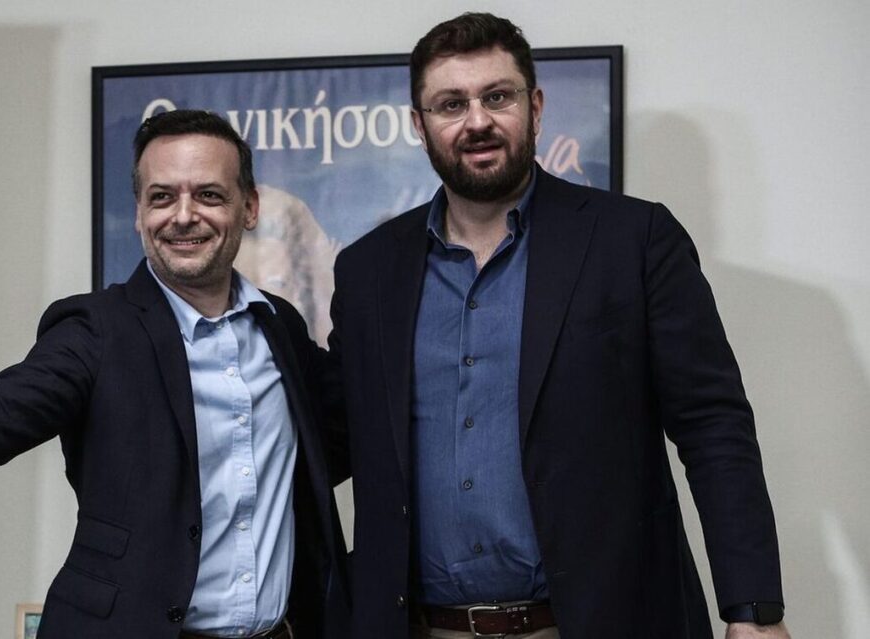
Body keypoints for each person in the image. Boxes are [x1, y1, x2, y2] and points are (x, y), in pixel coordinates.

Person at [326, 12, 788, 639]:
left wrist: (753, 610)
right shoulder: (368, 271)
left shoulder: (634, 240)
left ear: (535, 107)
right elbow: (332, 437)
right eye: (451, 104)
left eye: (497, 97)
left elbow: (714, 427)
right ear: (420, 124)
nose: (477, 121)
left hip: (602, 623)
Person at [0, 110, 347, 639]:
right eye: (162, 197)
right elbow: (3, 409)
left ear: (249, 207)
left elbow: (345, 429)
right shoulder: (96, 329)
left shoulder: (280, 325)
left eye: (208, 195)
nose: (183, 216)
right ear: (139, 212)